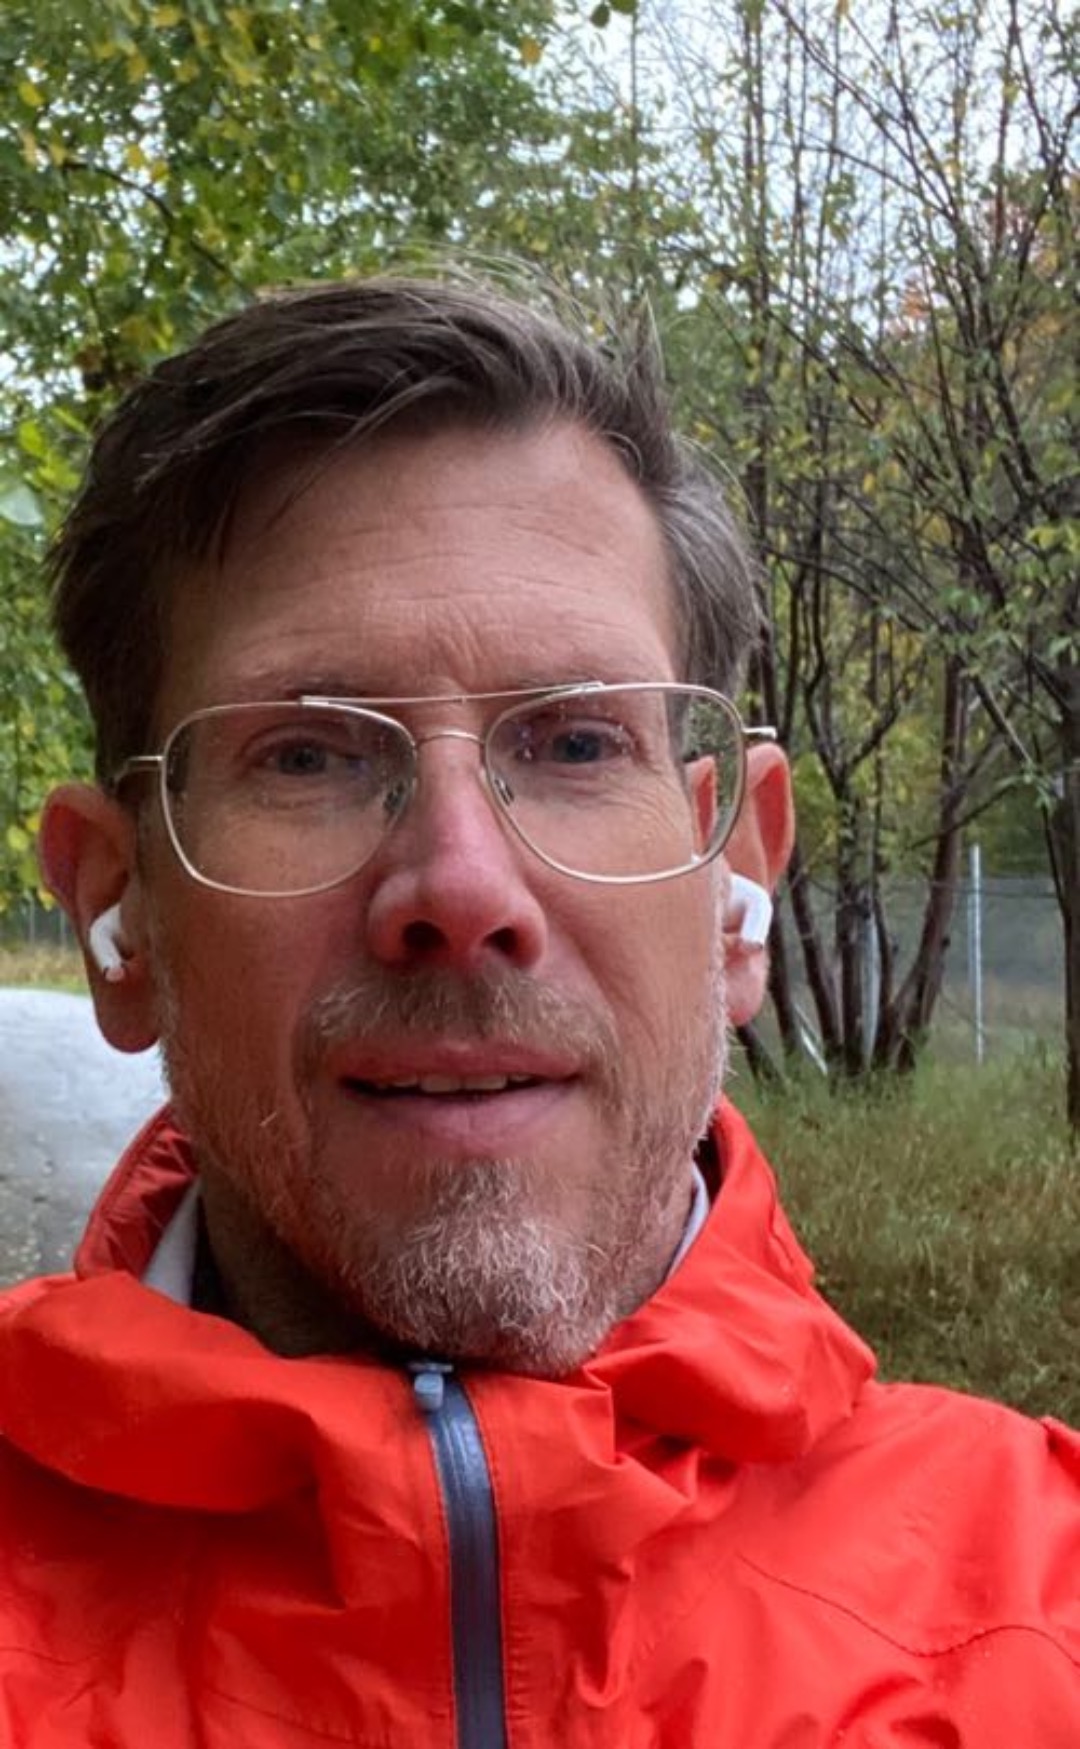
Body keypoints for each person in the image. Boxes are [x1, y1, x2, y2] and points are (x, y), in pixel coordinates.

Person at [2, 273, 1075, 1748]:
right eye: (308, 755)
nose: (460, 883)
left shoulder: (1046, 1611)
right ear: (119, 916)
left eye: (573, 742)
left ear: (735, 882)